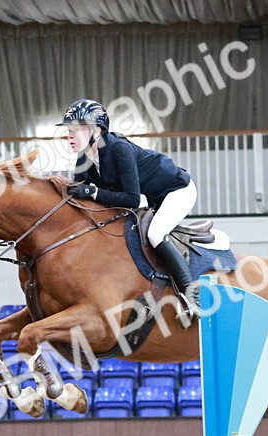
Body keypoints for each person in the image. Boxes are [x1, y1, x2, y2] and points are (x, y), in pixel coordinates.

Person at [60, 99, 200, 321]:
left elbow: (132, 199)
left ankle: (191, 296)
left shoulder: (119, 149)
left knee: (155, 233)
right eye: (69, 130)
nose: (70, 135)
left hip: (176, 190)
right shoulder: (83, 158)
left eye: (77, 130)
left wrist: (93, 193)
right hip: (150, 197)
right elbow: (78, 195)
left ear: (97, 130)